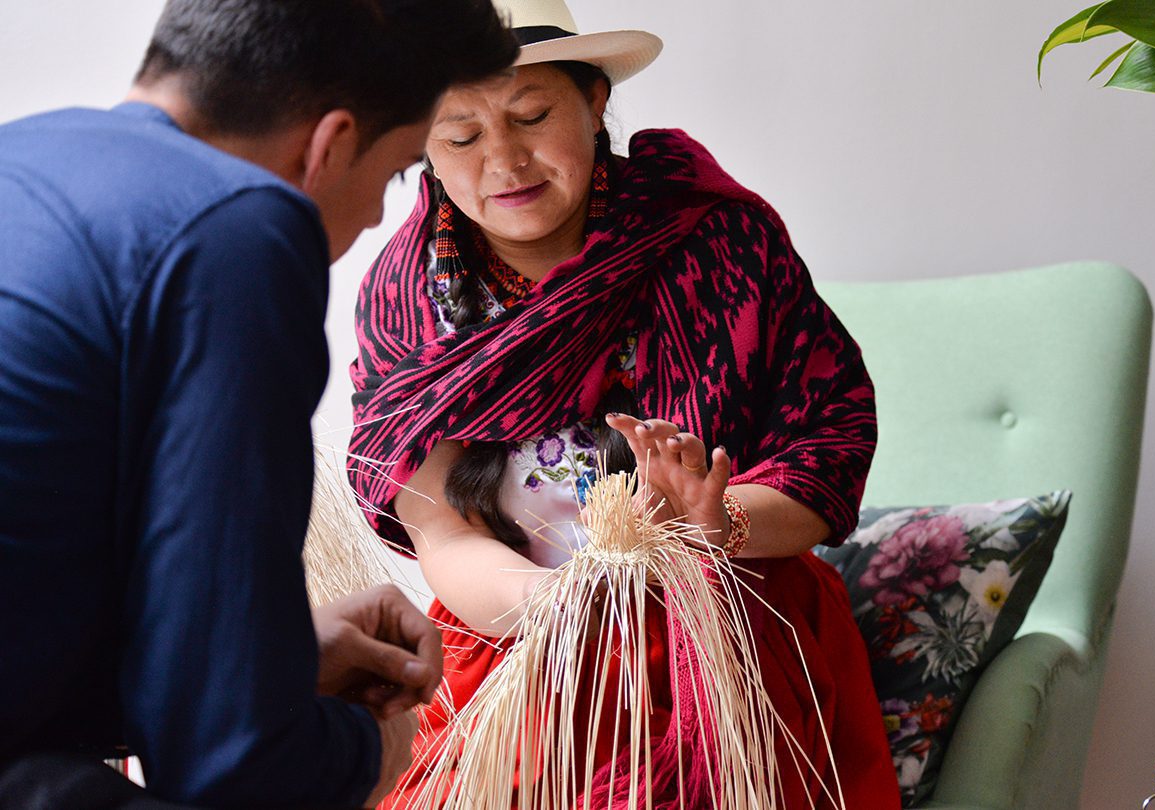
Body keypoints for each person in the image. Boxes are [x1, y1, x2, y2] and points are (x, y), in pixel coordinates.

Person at [348, 0, 903, 806]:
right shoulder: (405, 299)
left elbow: (826, 455)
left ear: (596, 99)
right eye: (461, 135)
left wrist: (709, 531)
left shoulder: (716, 241)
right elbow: (442, 531)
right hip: (519, 635)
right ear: (421, 148)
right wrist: (558, 606)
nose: (503, 159)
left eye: (532, 115)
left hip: (730, 625)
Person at [0, 1, 518, 808]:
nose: (381, 214)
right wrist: (370, 746)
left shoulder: (24, 156)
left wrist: (270, 655)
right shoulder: (238, 226)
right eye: (393, 175)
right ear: (330, 144)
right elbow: (234, 761)